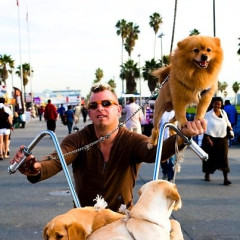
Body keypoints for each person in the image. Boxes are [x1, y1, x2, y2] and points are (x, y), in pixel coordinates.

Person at [11, 83, 206, 212]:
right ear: (89, 112)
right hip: (85, 218)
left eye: (106, 103)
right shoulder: (78, 138)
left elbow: (153, 152)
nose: (100, 108)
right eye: (94, 106)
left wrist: (182, 137)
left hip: (122, 220)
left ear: (118, 110)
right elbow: (58, 158)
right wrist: (35, 168)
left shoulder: (130, 139)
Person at [201, 97, 232, 185]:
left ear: (221, 104)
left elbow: (227, 122)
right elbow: (205, 127)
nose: (217, 105)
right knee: (209, 158)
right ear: (212, 104)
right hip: (210, 139)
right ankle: (207, 174)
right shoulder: (208, 114)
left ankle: (225, 178)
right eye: (215, 103)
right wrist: (207, 138)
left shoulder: (223, 112)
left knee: (224, 158)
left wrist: (230, 127)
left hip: (222, 139)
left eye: (219, 104)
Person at [159, 108, 176, 182]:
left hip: (173, 138)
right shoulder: (161, 112)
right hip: (162, 138)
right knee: (162, 159)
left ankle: (170, 177)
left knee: (172, 160)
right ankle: (165, 172)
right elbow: (157, 125)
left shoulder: (176, 112)